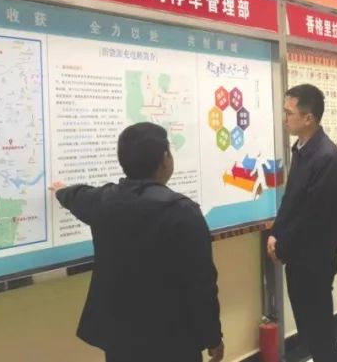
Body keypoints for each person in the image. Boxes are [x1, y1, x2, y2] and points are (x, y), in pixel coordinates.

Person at [51, 122, 224, 362]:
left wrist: (60, 191)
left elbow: (76, 196)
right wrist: (213, 337)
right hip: (173, 339)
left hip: (121, 340)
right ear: (165, 159)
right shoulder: (182, 211)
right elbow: (201, 284)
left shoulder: (103, 201)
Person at [268, 84, 337, 362]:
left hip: (315, 261)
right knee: (310, 333)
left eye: (289, 113)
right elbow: (291, 201)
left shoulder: (326, 157)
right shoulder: (301, 150)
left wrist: (282, 245)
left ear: (308, 118)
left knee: (321, 337)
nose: (285, 118)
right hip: (298, 258)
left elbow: (313, 217)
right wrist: (275, 232)